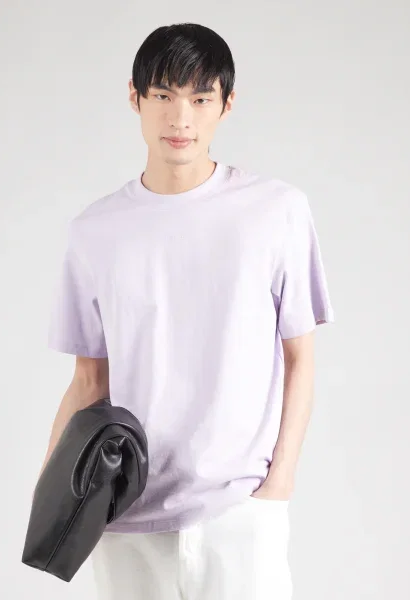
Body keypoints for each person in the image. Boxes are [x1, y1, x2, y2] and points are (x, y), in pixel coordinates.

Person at [42, 22, 334, 600]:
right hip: (123, 514)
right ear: (135, 98)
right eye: (163, 95)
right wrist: (49, 493)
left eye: (200, 99)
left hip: (238, 511)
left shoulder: (276, 211)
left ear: (227, 104)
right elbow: (88, 382)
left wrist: (279, 482)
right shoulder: (95, 231)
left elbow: (300, 358)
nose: (181, 118)